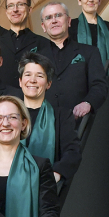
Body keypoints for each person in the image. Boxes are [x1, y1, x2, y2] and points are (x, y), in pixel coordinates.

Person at [35, 2, 108, 126]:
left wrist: (88, 103)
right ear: (43, 26)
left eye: (58, 15)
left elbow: (100, 85)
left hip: (79, 125)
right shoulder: (36, 57)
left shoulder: (90, 52)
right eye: (48, 17)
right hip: (45, 127)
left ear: (69, 21)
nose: (54, 21)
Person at [18, 53, 82, 183]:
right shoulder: (7, 115)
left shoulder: (61, 116)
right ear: (20, 81)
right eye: (28, 74)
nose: (33, 80)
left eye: (40, 76)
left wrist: (56, 174)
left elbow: (72, 152)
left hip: (46, 190)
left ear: (48, 84)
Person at [69, 0, 109, 74]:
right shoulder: (71, 26)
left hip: (105, 80)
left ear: (99, 0)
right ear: (79, 0)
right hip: (78, 79)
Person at [0, 0, 43, 88]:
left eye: (20, 4)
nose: (15, 9)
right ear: (6, 12)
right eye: (11, 6)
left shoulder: (43, 43)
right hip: (2, 100)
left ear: (29, 10)